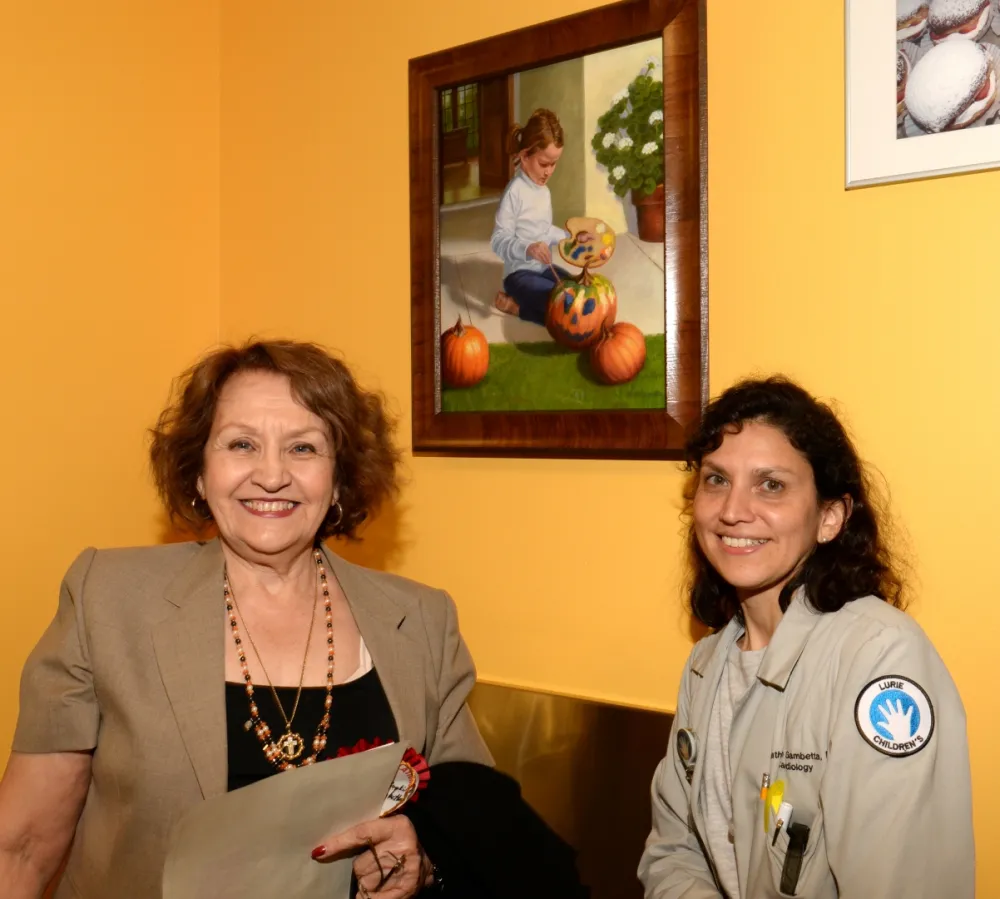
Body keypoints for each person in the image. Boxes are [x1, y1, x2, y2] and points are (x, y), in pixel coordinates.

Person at [0, 339, 493, 899]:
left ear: (338, 480)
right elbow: (20, 847)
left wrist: (422, 859)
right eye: (241, 444)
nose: (272, 475)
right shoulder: (106, 600)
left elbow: (482, 834)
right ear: (199, 474)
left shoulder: (422, 620)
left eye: (304, 449)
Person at [638, 376, 974, 898]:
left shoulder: (880, 660)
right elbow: (672, 853)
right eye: (716, 479)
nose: (732, 511)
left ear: (830, 518)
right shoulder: (707, 665)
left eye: (771, 484)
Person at [490, 107, 593, 325]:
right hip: (519, 275)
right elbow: (498, 240)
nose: (548, 172)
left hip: (544, 269)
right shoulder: (514, 192)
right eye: (543, 164)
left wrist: (570, 237)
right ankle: (517, 309)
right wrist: (528, 249)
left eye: (553, 164)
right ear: (524, 155)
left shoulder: (544, 192)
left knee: (582, 292)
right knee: (563, 305)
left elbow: (545, 230)